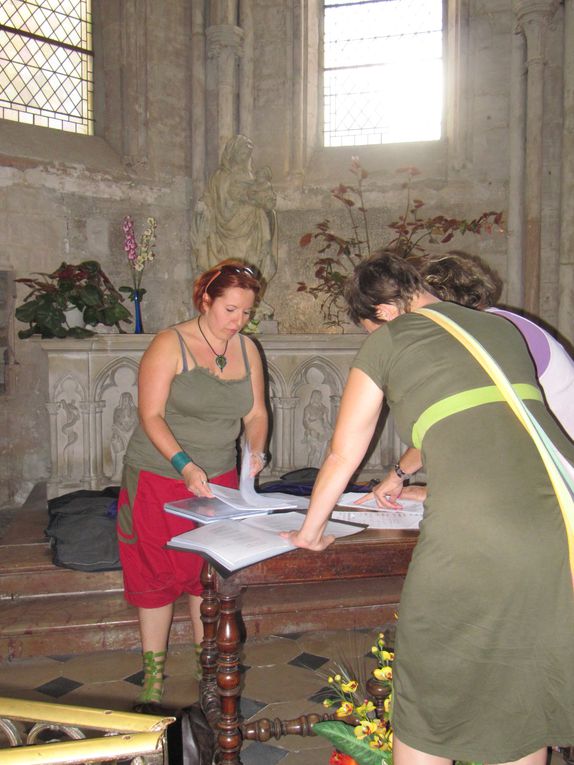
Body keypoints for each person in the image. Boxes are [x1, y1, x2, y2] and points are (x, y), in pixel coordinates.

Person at [282, 251, 574, 765]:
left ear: (384, 312)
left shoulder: (389, 339)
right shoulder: (503, 328)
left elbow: (343, 453)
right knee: (522, 692)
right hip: (559, 523)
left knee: (429, 686)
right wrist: (404, 477)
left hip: (476, 531)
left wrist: (311, 530)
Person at [117, 260, 268, 710]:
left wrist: (255, 451)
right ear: (205, 300)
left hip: (217, 482)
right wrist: (184, 464)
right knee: (155, 576)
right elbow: (151, 415)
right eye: (229, 310)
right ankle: (153, 677)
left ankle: (208, 673)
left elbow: (255, 414)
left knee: (207, 581)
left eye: (246, 313)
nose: (237, 321)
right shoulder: (170, 344)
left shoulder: (247, 349)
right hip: (160, 474)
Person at [369, 250, 574, 511]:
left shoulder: (491, 335)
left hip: (558, 485)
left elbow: (453, 424)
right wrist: (409, 480)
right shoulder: (494, 326)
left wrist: (398, 475)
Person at [191, 134, 277, 318]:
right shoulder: (220, 177)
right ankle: (222, 301)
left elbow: (264, 200)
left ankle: (251, 302)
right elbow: (210, 197)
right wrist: (203, 206)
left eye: (248, 153)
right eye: (242, 151)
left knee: (249, 263)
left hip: (250, 229)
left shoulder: (253, 178)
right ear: (233, 153)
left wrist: (261, 203)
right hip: (224, 231)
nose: (245, 156)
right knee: (226, 267)